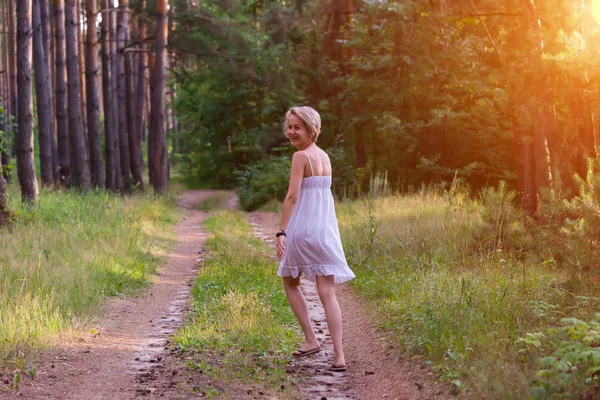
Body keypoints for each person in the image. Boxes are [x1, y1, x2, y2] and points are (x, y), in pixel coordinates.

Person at [276, 106, 355, 372]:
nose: (291, 132)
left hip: (302, 230)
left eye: (297, 127)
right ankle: (339, 356)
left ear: (312, 128)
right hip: (325, 231)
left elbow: (293, 197)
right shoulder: (325, 157)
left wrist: (281, 231)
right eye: (289, 126)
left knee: (290, 282)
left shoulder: (300, 157)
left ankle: (311, 339)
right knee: (327, 293)